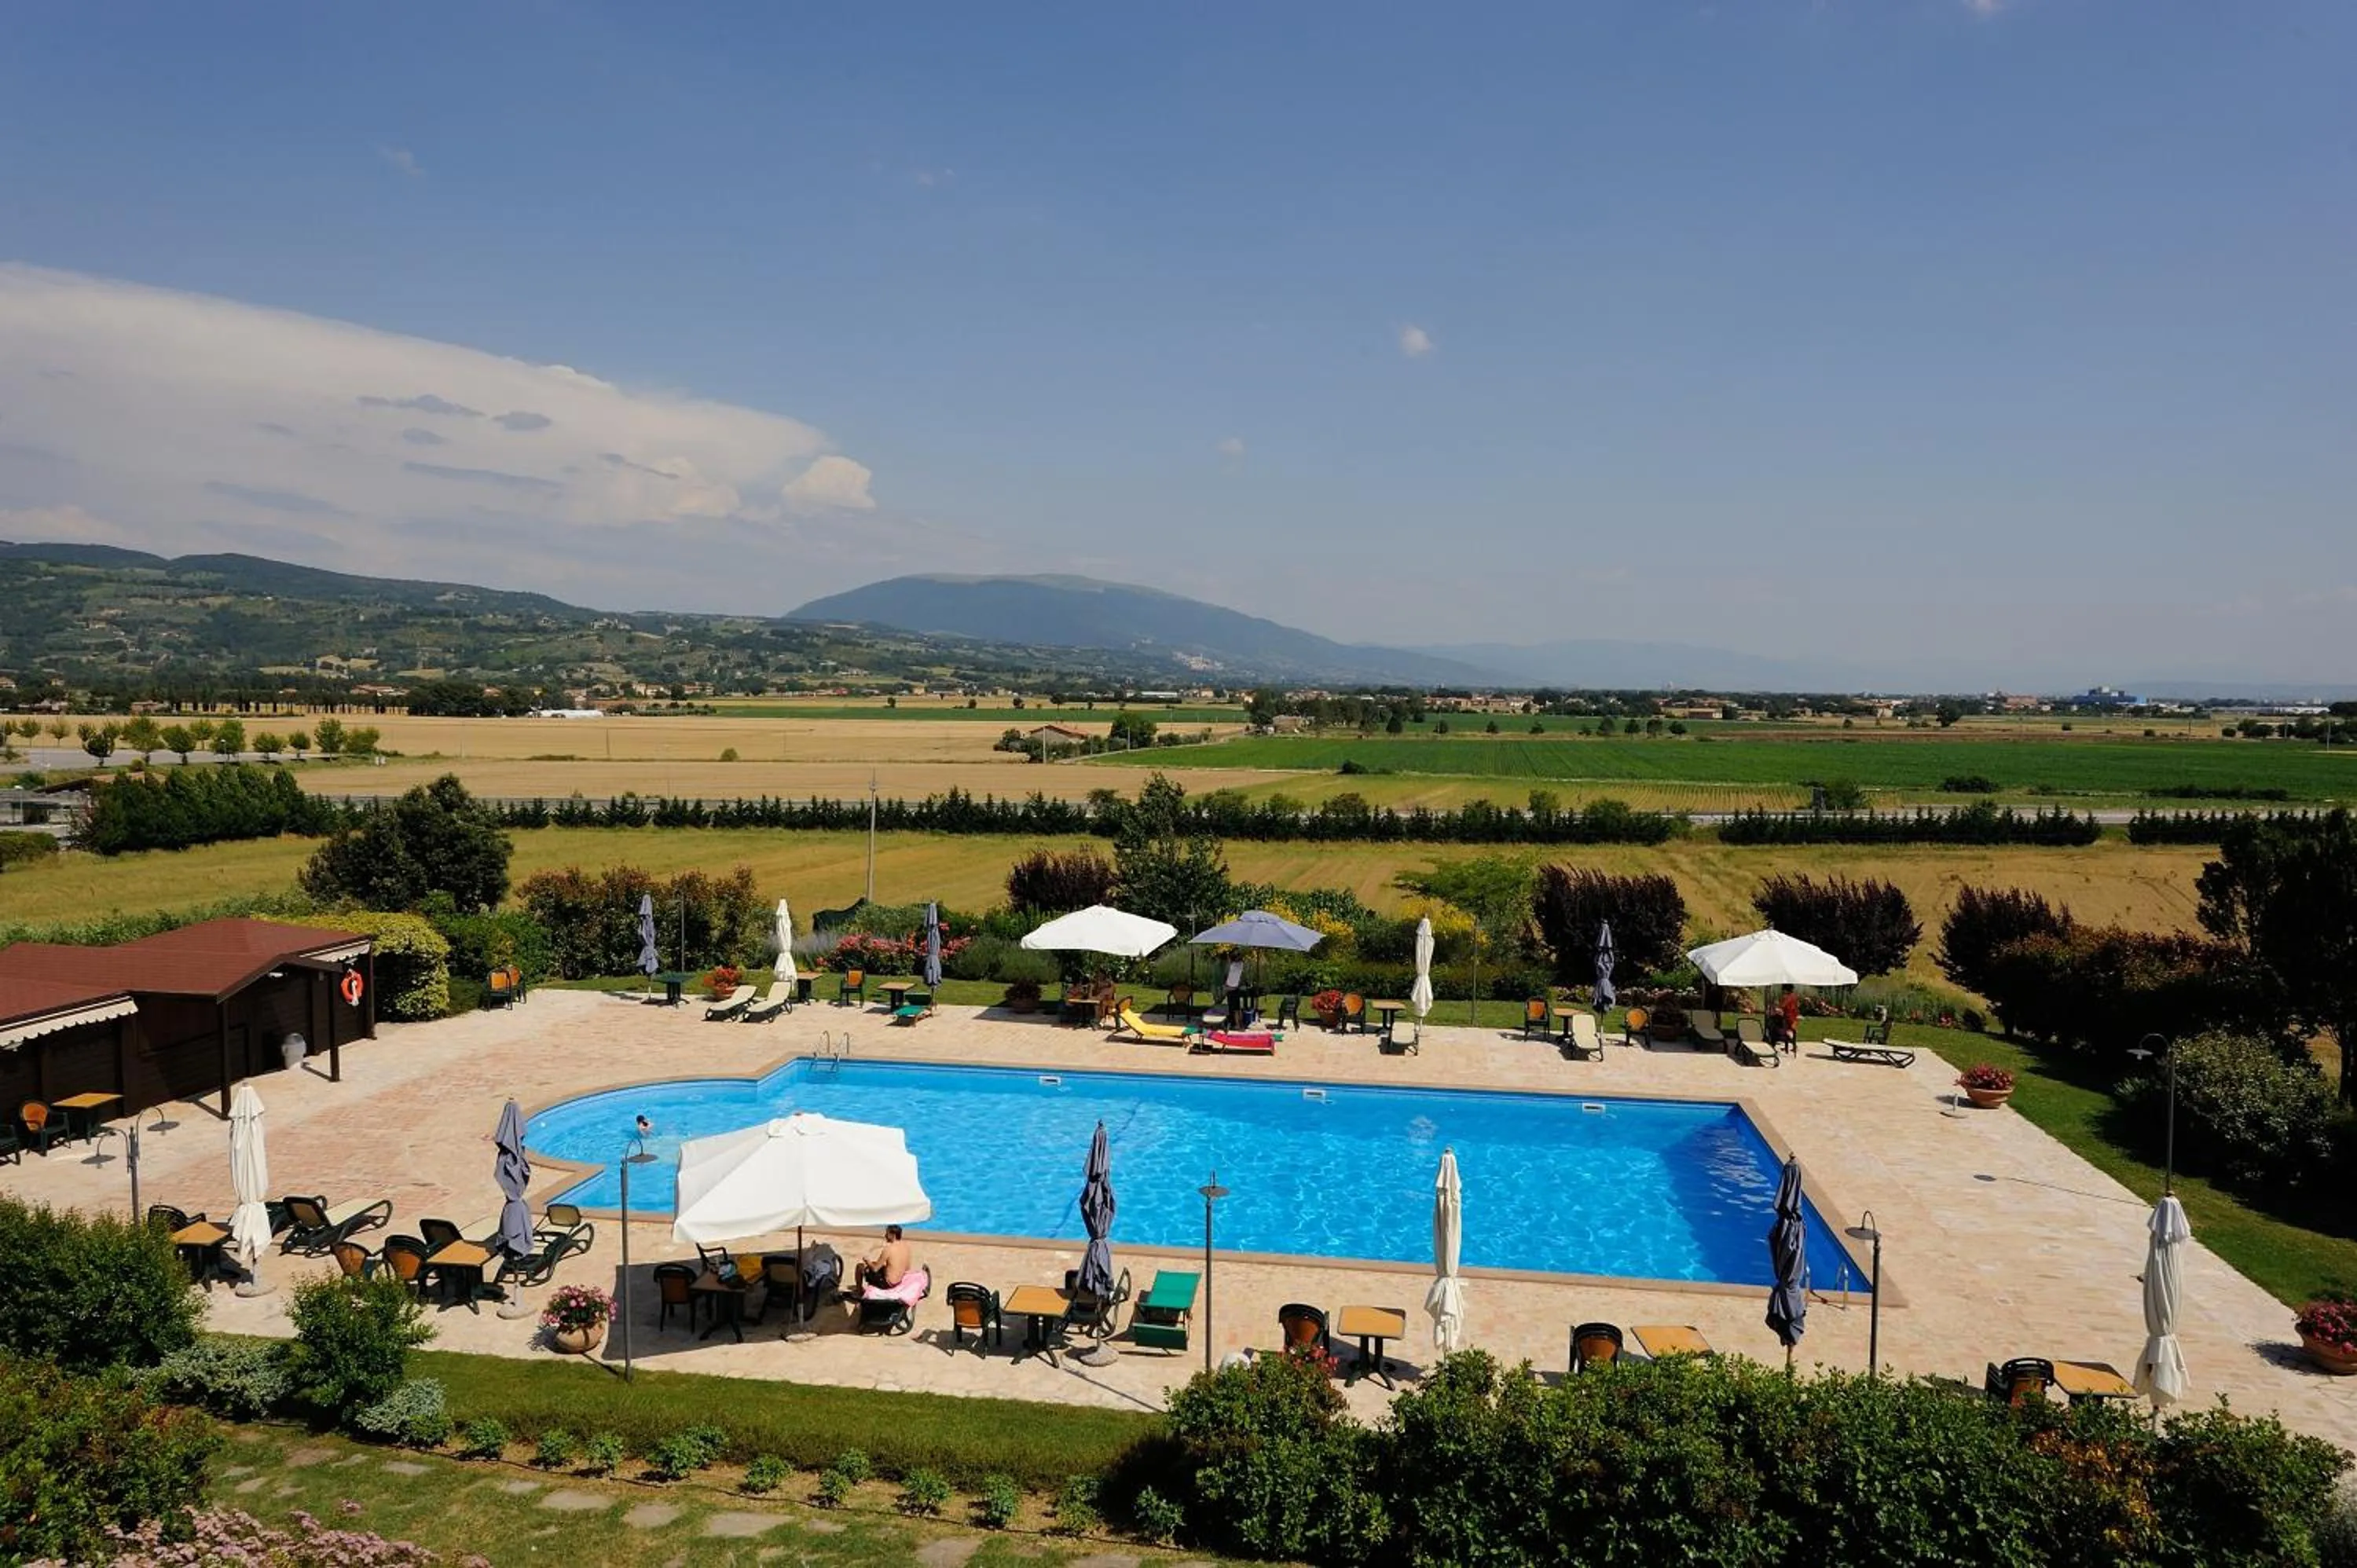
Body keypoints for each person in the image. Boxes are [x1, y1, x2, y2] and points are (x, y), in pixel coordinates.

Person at [857, 1225, 911, 1291]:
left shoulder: (888, 1249)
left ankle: (859, 1291)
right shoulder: (906, 1247)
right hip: (899, 1281)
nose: (885, 1236)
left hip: (887, 1283)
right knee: (877, 1264)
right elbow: (907, 1268)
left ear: (893, 1235)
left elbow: (875, 1269)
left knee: (860, 1267)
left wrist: (867, 1261)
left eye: (887, 1234)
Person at [1776, 985, 1802, 1055]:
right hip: (1794, 1016)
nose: (1783, 991)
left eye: (1784, 990)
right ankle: (1792, 1046)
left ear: (1786, 990)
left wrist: (1778, 1008)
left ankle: (1789, 1045)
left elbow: (1783, 1005)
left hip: (1789, 1017)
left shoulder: (1788, 997)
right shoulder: (1794, 996)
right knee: (1793, 1030)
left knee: (1786, 1031)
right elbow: (1797, 1006)